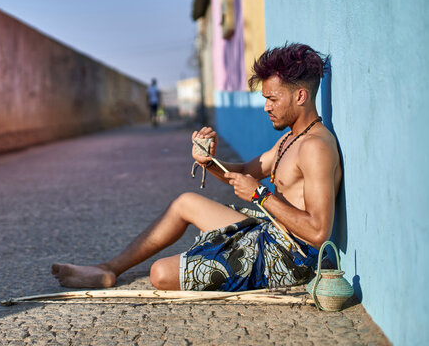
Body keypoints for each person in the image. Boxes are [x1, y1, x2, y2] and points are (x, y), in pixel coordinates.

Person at [51, 43, 342, 291]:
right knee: (184, 202)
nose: (266, 107)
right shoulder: (290, 140)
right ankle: (108, 268)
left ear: (300, 96)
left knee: (160, 274)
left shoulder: (315, 147)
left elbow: (318, 233)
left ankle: (208, 258)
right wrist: (208, 160)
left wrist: (261, 196)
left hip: (290, 257)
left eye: (272, 99)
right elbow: (243, 170)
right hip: (268, 231)